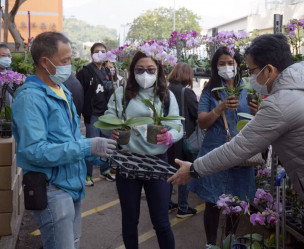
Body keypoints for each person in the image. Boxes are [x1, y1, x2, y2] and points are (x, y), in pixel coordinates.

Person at [169, 34, 304, 249]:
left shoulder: (280, 103)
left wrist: (194, 169)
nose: (251, 76)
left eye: (253, 70)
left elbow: (240, 147)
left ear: (270, 70)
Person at [11, 32, 116, 249]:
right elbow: (34, 151)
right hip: (52, 189)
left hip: (72, 184)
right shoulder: (30, 98)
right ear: (44, 62)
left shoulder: (61, 90)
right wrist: (88, 145)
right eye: (65, 60)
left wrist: (98, 155)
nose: (69, 65)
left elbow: (71, 137)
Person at [104, 51, 183, 249]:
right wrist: (113, 128)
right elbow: (108, 116)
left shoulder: (166, 94)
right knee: (130, 220)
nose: (145, 74)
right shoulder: (122, 93)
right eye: (139, 70)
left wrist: (170, 136)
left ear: (159, 71)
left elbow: (178, 125)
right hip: (128, 162)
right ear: (132, 71)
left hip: (157, 162)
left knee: (162, 222)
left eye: (150, 70)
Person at [186, 47, 257, 248]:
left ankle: (230, 239)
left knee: (237, 200)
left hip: (242, 152)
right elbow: (202, 122)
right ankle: (211, 243)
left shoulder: (248, 87)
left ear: (238, 64)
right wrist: (220, 108)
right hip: (215, 151)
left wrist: (257, 109)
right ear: (215, 67)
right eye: (222, 63)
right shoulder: (210, 90)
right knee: (213, 201)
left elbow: (261, 119)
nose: (227, 67)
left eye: (230, 63)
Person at [77, 42, 115, 186]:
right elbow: (80, 94)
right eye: (97, 51)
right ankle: (87, 175)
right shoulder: (85, 72)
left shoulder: (107, 71)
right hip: (92, 114)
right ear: (91, 54)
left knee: (107, 144)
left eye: (103, 51)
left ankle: (105, 170)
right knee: (92, 144)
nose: (100, 54)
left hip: (106, 114)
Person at [167, 62, 198, 218]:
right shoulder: (187, 92)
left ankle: (166, 203)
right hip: (183, 139)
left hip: (167, 137)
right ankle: (183, 207)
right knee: (184, 170)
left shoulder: (165, 89)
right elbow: (197, 114)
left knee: (167, 169)